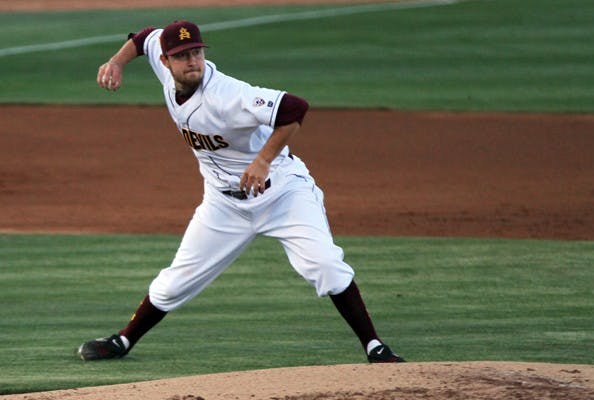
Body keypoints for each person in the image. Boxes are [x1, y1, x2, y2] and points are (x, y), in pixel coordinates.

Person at [77, 20, 404, 364]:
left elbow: (295, 108)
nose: (192, 62)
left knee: (325, 265)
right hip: (223, 204)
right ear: (165, 62)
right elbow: (144, 38)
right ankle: (123, 341)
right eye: (182, 56)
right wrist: (116, 62)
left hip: (282, 194)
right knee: (176, 281)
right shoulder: (163, 65)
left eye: (196, 53)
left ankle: (374, 347)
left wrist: (263, 160)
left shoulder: (228, 95)